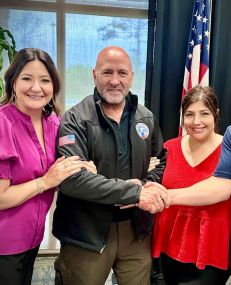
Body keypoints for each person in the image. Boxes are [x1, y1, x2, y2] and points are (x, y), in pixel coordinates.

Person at [147, 37, 231, 285]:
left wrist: (166, 196)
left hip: (214, 249)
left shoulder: (225, 140)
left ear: (215, 116)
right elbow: (222, 185)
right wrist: (154, 188)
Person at [52, 46, 167, 285]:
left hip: (135, 232)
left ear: (131, 76)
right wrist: (135, 192)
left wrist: (146, 186)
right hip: (86, 234)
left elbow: (161, 161)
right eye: (107, 73)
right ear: (94, 74)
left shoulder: (146, 118)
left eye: (122, 73)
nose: (115, 81)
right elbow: (73, 180)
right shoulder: (75, 119)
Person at [0, 48, 95, 285]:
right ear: (12, 83)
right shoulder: (3, 124)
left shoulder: (54, 122)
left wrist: (82, 165)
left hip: (33, 237)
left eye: (45, 80)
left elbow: (62, 162)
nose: (36, 87)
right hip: (4, 243)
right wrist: (45, 182)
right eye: (26, 79)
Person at [151, 86, 231, 285]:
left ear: (216, 115)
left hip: (211, 251)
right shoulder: (168, 148)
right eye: (189, 114)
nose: (196, 122)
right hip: (169, 246)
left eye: (204, 113)